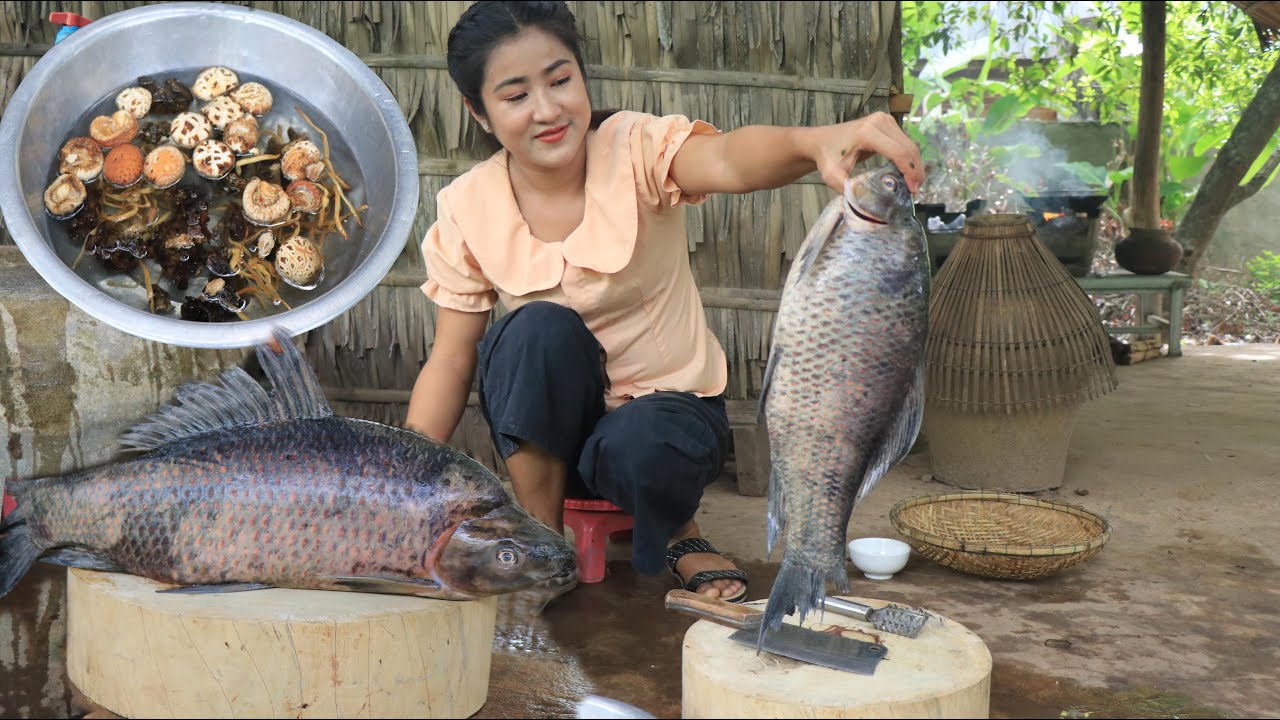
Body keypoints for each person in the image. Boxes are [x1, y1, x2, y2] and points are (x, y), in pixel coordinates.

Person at [404, 0, 924, 603]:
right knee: (533, 330)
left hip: (665, 430)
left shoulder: (636, 148)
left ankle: (681, 533)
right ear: (480, 112)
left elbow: (728, 158)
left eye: (560, 80)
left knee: (642, 440)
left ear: (582, 74)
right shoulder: (467, 207)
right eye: (516, 96)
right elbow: (450, 359)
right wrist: (402, 475)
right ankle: (542, 544)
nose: (547, 110)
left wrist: (816, 143)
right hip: (551, 441)